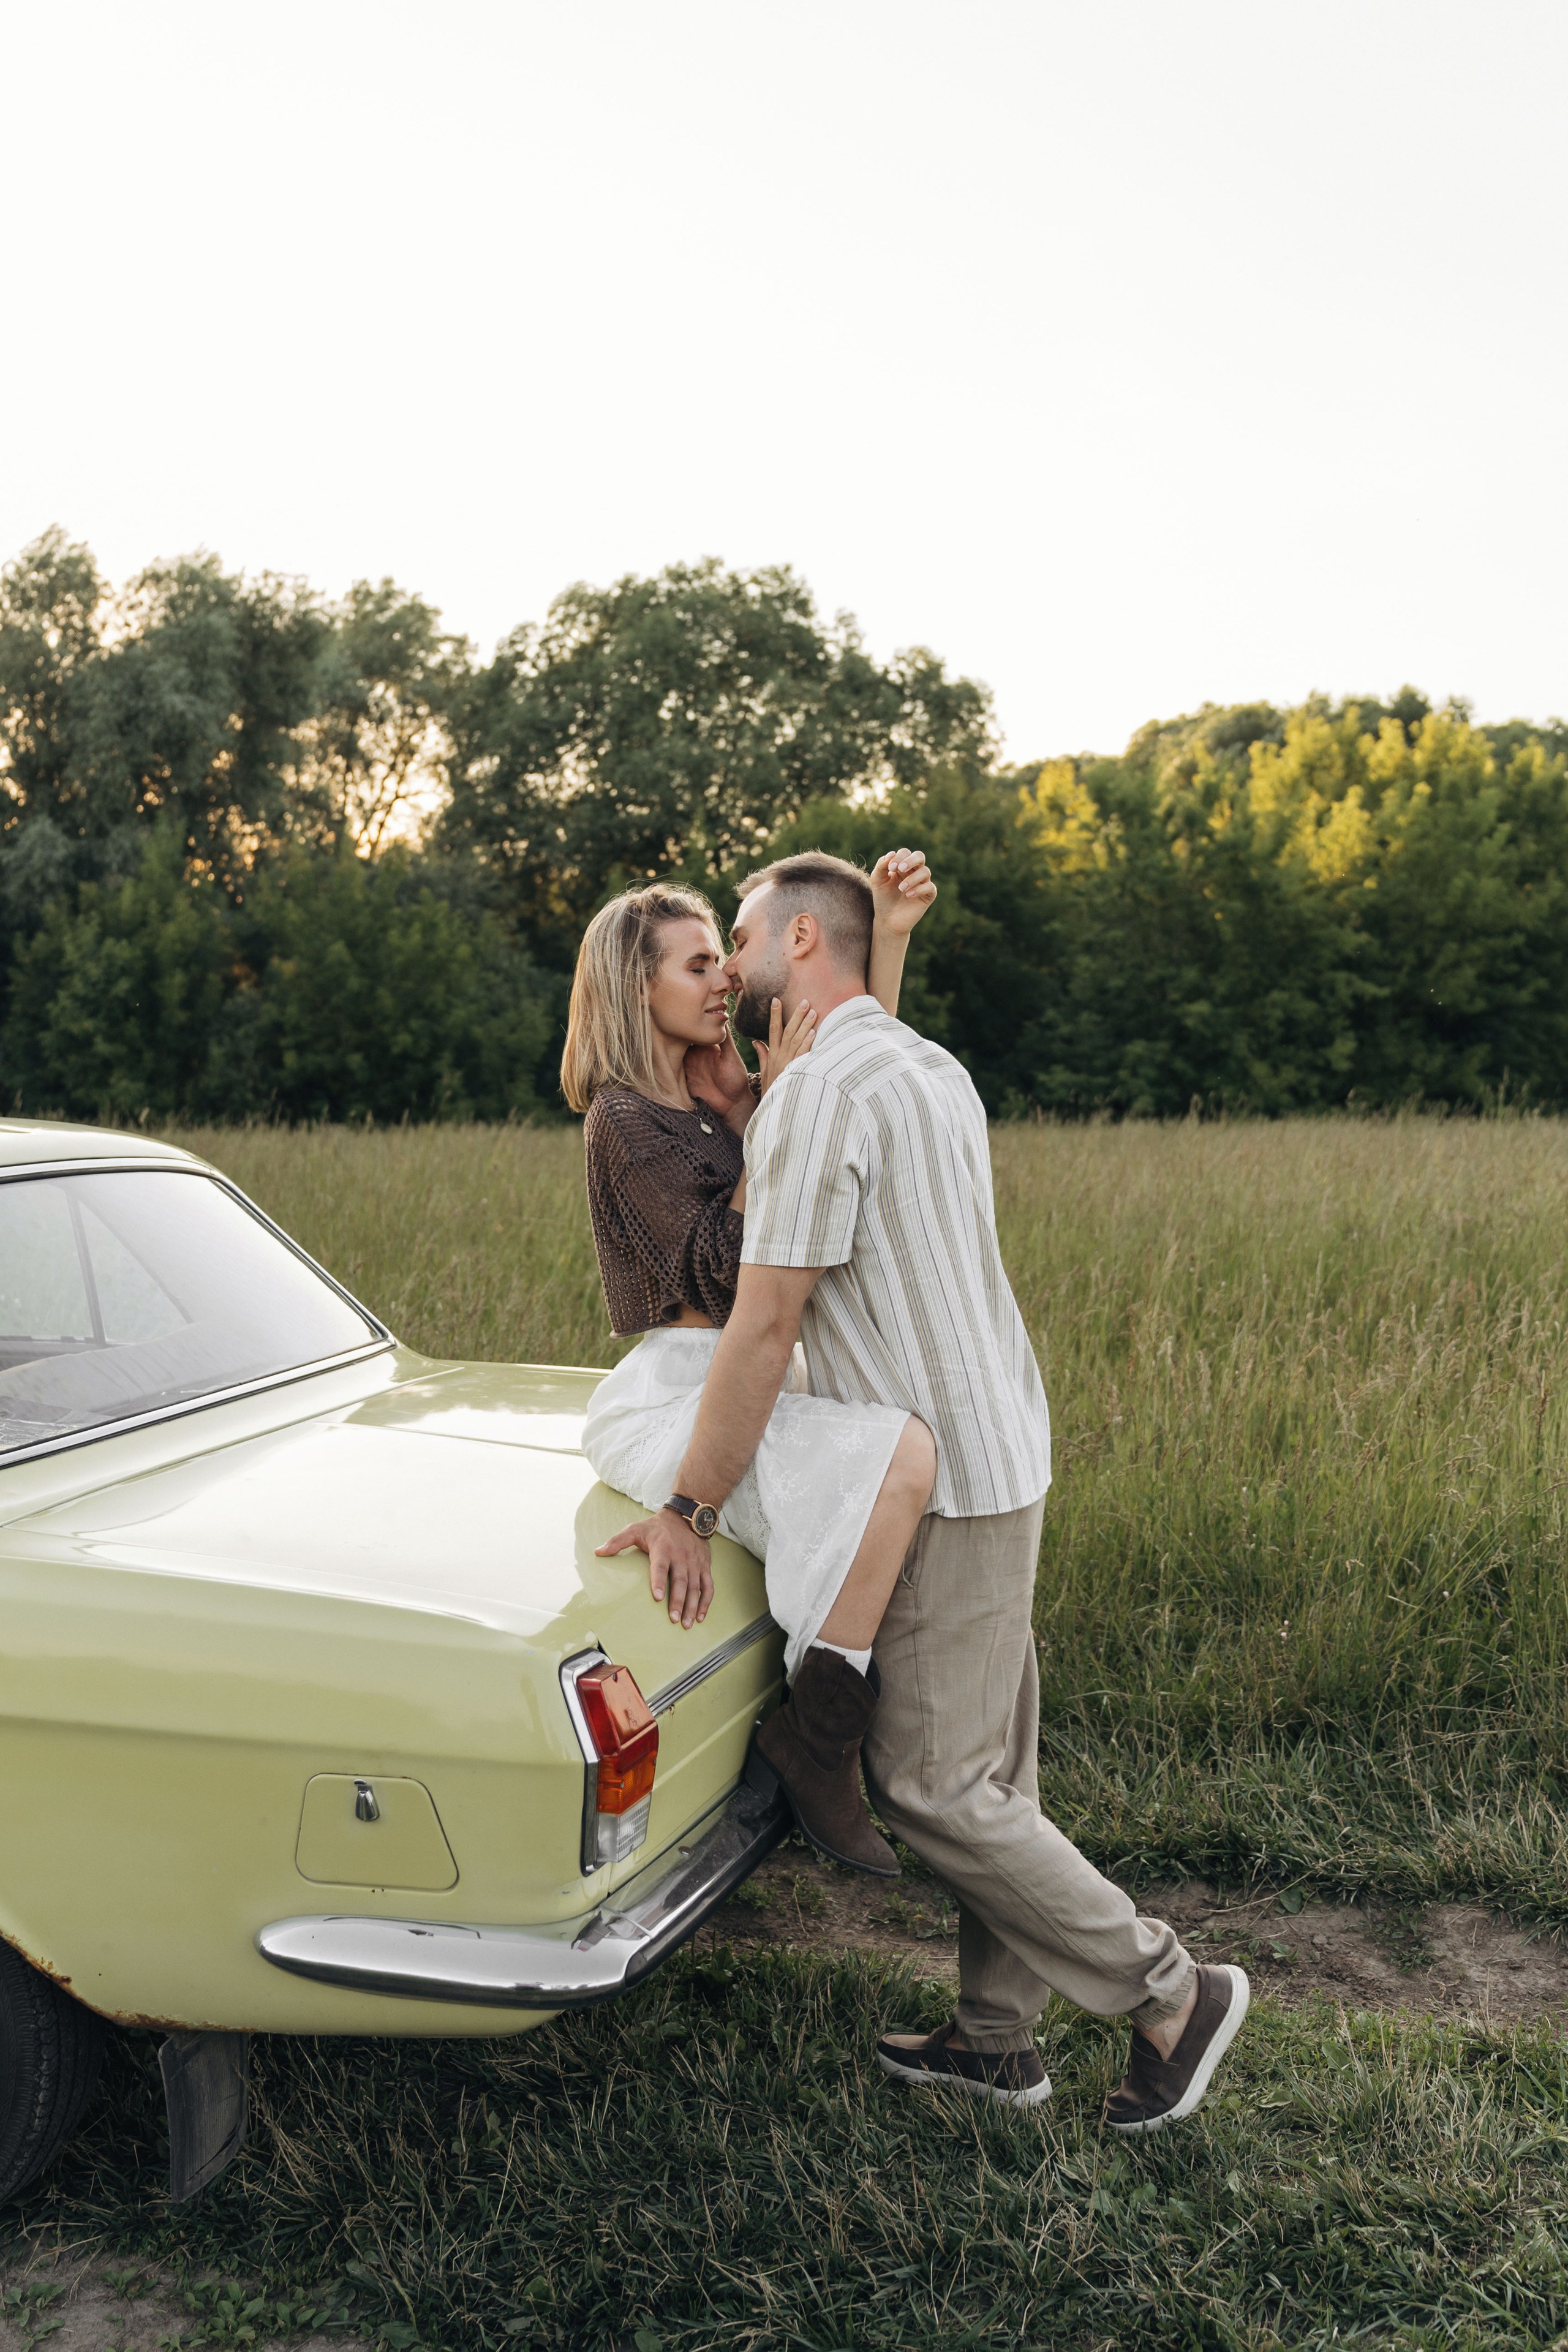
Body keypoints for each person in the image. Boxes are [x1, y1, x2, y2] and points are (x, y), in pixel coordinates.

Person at [600, 850, 1250, 2132]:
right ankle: (996, 2041)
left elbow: (765, 1322)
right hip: (1005, 1447)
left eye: (740, 934)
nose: (730, 961)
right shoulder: (921, 1063)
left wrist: (686, 1505)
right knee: (992, 1774)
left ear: (798, 943)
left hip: (942, 1483)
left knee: (930, 1785)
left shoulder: (811, 1098)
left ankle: (1170, 1994)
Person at [562, 850, 940, 1875]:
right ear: (633, 990)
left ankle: (821, 1746)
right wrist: (771, 1119)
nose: (723, 978)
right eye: (696, 966)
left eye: (718, 957)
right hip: (680, 1389)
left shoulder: (716, 1093)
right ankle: (813, 1754)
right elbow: (720, 1272)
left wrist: (887, 942)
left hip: (754, 1372)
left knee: (910, 1444)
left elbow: (852, 1085)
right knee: (901, 1458)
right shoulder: (622, 1119)